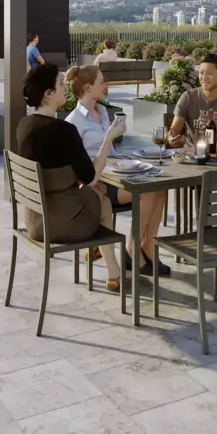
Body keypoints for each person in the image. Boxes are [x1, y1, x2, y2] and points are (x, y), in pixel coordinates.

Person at [15, 63, 125, 292]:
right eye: (60, 84)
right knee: (100, 195)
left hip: (35, 223)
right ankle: (112, 268)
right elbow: (91, 177)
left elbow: (57, 174)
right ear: (48, 93)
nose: (66, 87)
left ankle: (112, 269)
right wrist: (108, 139)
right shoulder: (64, 131)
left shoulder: (24, 125)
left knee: (96, 194)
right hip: (65, 224)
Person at [65, 65, 170, 277]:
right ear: (88, 87)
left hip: (117, 172)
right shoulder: (73, 122)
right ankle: (132, 251)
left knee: (160, 188)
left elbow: (111, 152)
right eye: (101, 82)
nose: (105, 86)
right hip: (99, 183)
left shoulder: (103, 112)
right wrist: (109, 139)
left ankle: (148, 247)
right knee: (149, 191)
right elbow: (78, 167)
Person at [168, 53, 217, 147]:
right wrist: (171, 139)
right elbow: (173, 133)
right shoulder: (188, 97)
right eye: (201, 73)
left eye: (209, 73)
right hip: (192, 152)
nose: (204, 77)